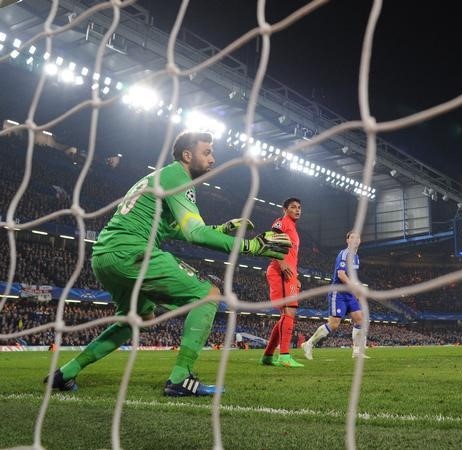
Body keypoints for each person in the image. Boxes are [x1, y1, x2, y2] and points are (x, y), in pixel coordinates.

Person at [43, 131, 291, 396]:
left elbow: (172, 230)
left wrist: (223, 228)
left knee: (137, 319)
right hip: (132, 252)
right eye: (206, 152)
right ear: (187, 155)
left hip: (104, 256)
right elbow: (193, 233)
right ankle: (180, 378)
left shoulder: (157, 178)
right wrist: (251, 246)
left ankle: (65, 373)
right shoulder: (178, 178)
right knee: (209, 295)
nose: (212, 159)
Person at [302, 231, 370, 359]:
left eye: (358, 238)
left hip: (349, 294)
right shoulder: (344, 254)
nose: (356, 239)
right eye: (352, 237)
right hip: (338, 293)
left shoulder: (356, 257)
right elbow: (341, 275)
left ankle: (356, 351)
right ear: (348, 240)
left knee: (360, 319)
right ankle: (309, 344)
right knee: (334, 324)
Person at [261, 197, 304, 367]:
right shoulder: (282, 222)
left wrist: (296, 275)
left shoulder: (293, 228)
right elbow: (271, 243)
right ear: (285, 209)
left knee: (285, 315)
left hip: (290, 273)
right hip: (280, 271)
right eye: (293, 207)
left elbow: (292, 256)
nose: (297, 210)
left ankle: (268, 356)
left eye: (299, 207)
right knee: (289, 311)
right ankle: (284, 356)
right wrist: (282, 263)